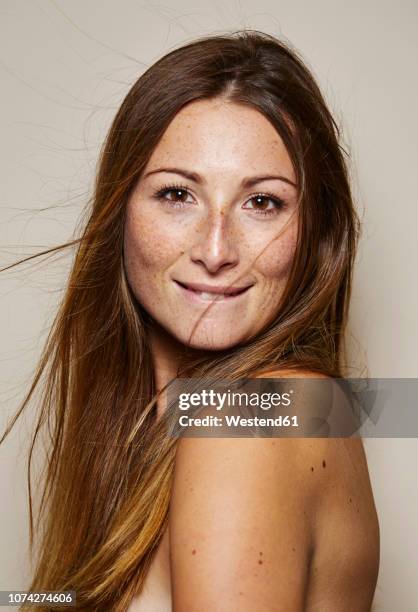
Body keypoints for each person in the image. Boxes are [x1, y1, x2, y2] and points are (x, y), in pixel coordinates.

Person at [1, 30, 379, 611]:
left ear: (315, 235)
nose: (216, 248)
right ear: (120, 211)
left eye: (263, 202)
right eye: (178, 194)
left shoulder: (245, 419)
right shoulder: (206, 417)